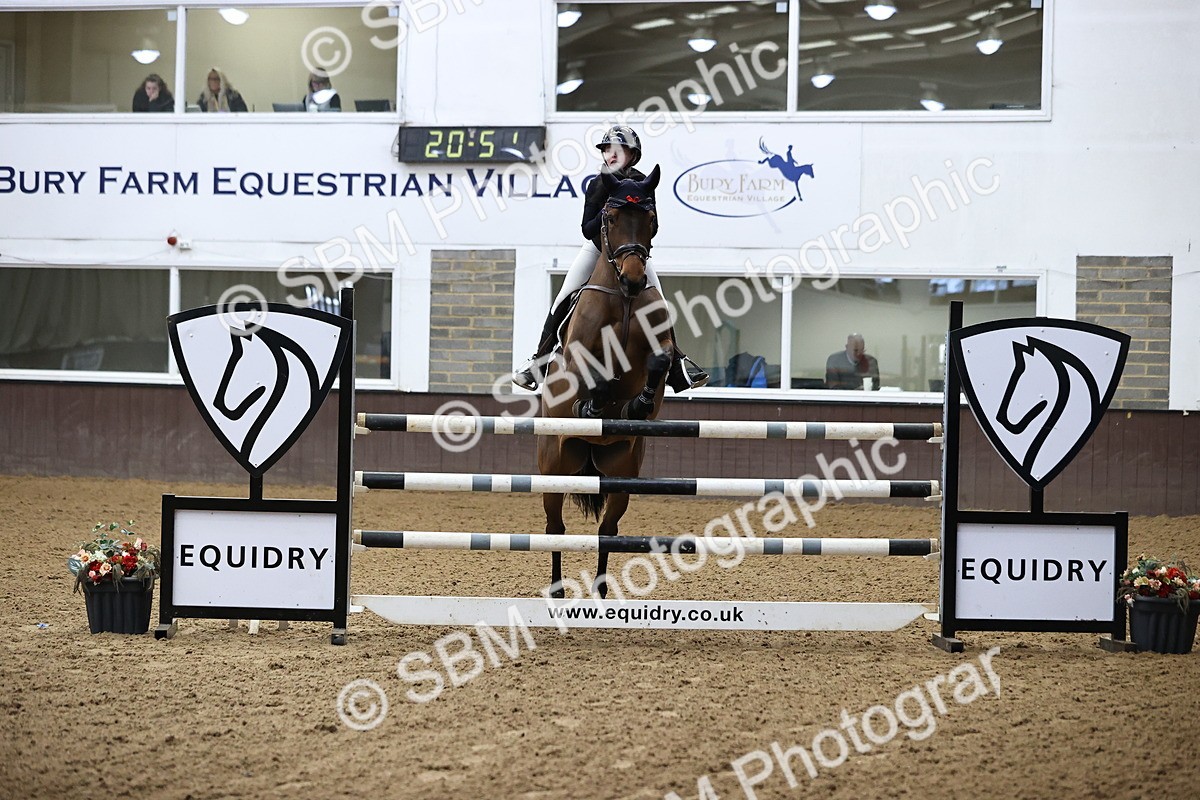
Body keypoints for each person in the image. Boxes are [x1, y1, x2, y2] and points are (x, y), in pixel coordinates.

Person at [512, 125, 709, 393]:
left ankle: (677, 363)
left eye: (617, 149)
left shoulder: (644, 182)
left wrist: (634, 243)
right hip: (597, 250)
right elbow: (587, 228)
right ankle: (538, 362)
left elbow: (655, 225)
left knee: (658, 299)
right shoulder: (598, 184)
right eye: (606, 149)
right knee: (563, 295)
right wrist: (609, 212)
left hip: (632, 251)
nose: (610, 154)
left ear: (632, 154)